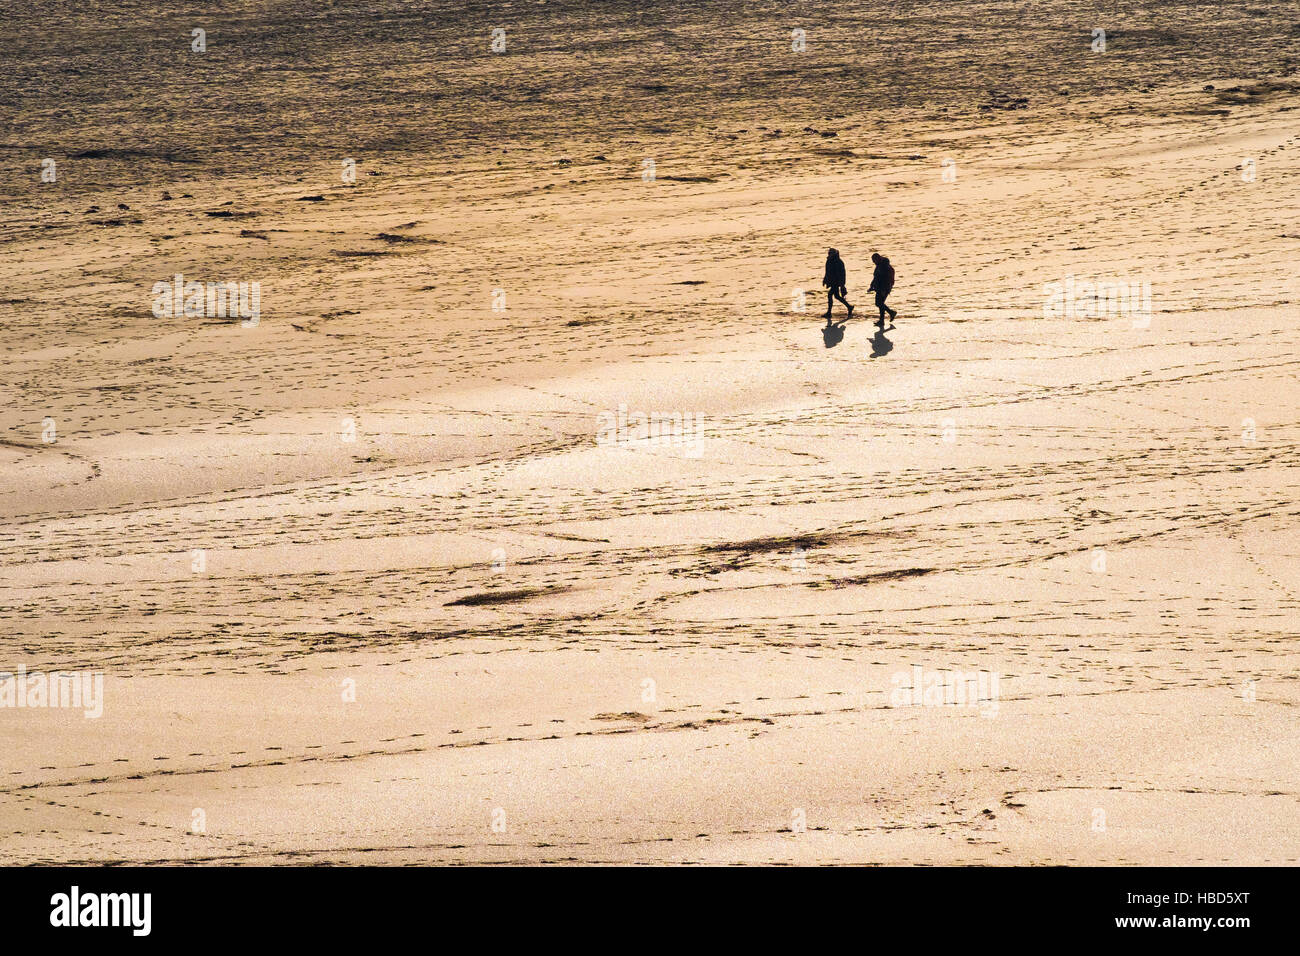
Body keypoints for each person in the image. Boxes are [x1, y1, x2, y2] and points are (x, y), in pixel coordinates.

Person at [821, 248, 853, 320]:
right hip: (832, 281)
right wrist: (825, 279)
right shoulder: (829, 260)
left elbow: (841, 274)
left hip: (836, 282)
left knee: (830, 295)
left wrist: (842, 285)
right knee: (837, 296)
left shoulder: (838, 262)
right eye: (829, 253)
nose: (829, 254)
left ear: (834, 254)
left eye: (831, 253)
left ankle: (829, 313)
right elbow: (827, 271)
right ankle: (849, 307)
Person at [867, 252, 897, 326]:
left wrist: (884, 289)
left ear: (878, 259)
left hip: (884, 287)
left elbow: (886, 279)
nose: (873, 262)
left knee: (879, 303)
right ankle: (884, 318)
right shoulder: (879, 266)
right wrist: (871, 286)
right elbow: (876, 277)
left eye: (874, 260)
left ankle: (890, 313)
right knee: (880, 303)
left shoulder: (884, 267)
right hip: (879, 287)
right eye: (873, 261)